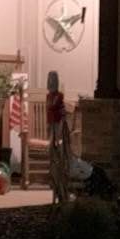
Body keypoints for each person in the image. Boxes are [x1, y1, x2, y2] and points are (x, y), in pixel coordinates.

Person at [45, 69, 71, 204]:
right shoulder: (48, 96)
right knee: (51, 151)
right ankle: (53, 180)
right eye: (49, 80)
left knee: (57, 151)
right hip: (51, 125)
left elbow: (56, 109)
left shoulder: (59, 96)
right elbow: (49, 108)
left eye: (52, 80)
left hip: (58, 126)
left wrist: (58, 134)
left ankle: (60, 184)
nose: (50, 82)